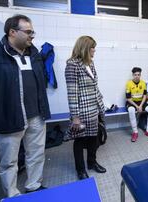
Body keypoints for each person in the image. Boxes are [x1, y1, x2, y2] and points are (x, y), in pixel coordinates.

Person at [0, 15, 51, 197]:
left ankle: (34, 185)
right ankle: (12, 195)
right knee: (8, 162)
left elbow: (41, 80)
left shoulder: (34, 54)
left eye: (32, 32)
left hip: (36, 115)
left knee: (36, 154)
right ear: (12, 32)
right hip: (8, 118)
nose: (32, 36)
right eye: (28, 32)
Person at [65, 36, 107, 180]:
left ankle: (92, 162)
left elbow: (95, 86)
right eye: (92, 47)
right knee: (80, 141)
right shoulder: (72, 65)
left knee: (93, 139)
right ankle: (81, 170)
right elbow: (72, 92)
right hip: (81, 112)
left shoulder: (90, 63)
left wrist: (102, 104)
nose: (94, 50)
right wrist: (75, 117)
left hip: (94, 110)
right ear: (84, 48)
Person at [126, 67, 148, 142]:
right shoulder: (129, 83)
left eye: (138, 75)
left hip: (141, 102)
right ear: (133, 75)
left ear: (140, 75)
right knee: (131, 110)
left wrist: (141, 105)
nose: (137, 76)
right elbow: (128, 98)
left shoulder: (143, 83)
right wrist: (137, 107)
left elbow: (145, 96)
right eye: (135, 75)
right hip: (132, 102)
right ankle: (135, 132)